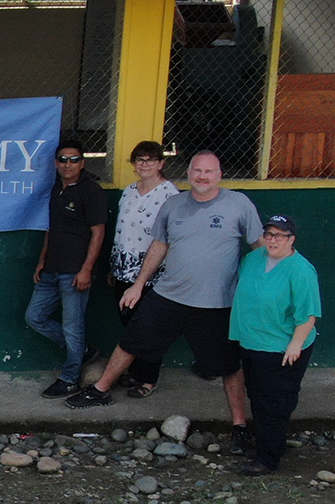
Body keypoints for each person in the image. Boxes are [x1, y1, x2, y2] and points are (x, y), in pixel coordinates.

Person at [67, 152, 263, 448]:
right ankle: (100, 389)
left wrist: (266, 287)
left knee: (228, 366)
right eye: (197, 170)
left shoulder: (238, 204)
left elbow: (260, 248)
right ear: (188, 172)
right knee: (131, 340)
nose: (202, 176)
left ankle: (238, 425)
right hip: (168, 295)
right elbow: (159, 245)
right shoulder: (173, 204)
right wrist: (138, 285)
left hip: (216, 304)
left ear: (219, 174)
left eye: (209, 172)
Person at [229, 215, 321, 476]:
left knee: (274, 402)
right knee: (258, 396)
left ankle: (267, 459)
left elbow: (308, 314)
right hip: (252, 342)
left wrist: (296, 344)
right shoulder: (253, 259)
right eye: (269, 234)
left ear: (291, 240)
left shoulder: (300, 270)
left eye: (280, 235)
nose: (273, 240)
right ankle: (272, 445)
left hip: (282, 348)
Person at [27, 140, 107, 398]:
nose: (68, 164)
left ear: (82, 163)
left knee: (73, 326)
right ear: (56, 163)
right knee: (34, 317)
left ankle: (70, 378)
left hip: (75, 272)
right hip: (51, 270)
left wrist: (86, 270)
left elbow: (98, 232)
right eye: (63, 159)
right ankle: (82, 350)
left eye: (73, 159)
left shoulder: (91, 191)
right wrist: (42, 260)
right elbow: (52, 229)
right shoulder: (55, 190)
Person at [107, 140, 179, 398]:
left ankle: (148, 379)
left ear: (161, 163)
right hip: (123, 269)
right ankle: (136, 371)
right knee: (129, 322)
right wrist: (114, 268)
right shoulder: (128, 191)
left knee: (146, 326)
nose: (145, 164)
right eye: (140, 159)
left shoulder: (170, 195)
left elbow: (170, 238)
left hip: (151, 274)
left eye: (151, 159)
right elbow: (121, 232)